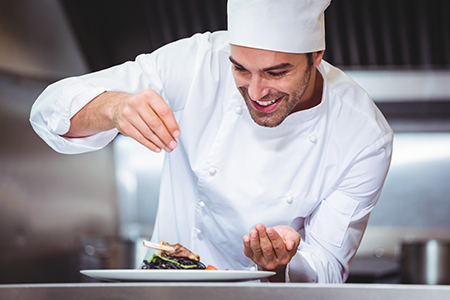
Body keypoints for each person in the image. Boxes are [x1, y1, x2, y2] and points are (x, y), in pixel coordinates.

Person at [30, 0, 393, 282]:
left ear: (316, 57)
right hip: (167, 290)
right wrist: (113, 107)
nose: (256, 91)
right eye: (240, 69)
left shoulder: (362, 134)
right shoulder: (197, 62)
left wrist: (285, 263)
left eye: (276, 72)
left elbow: (328, 268)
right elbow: (48, 110)